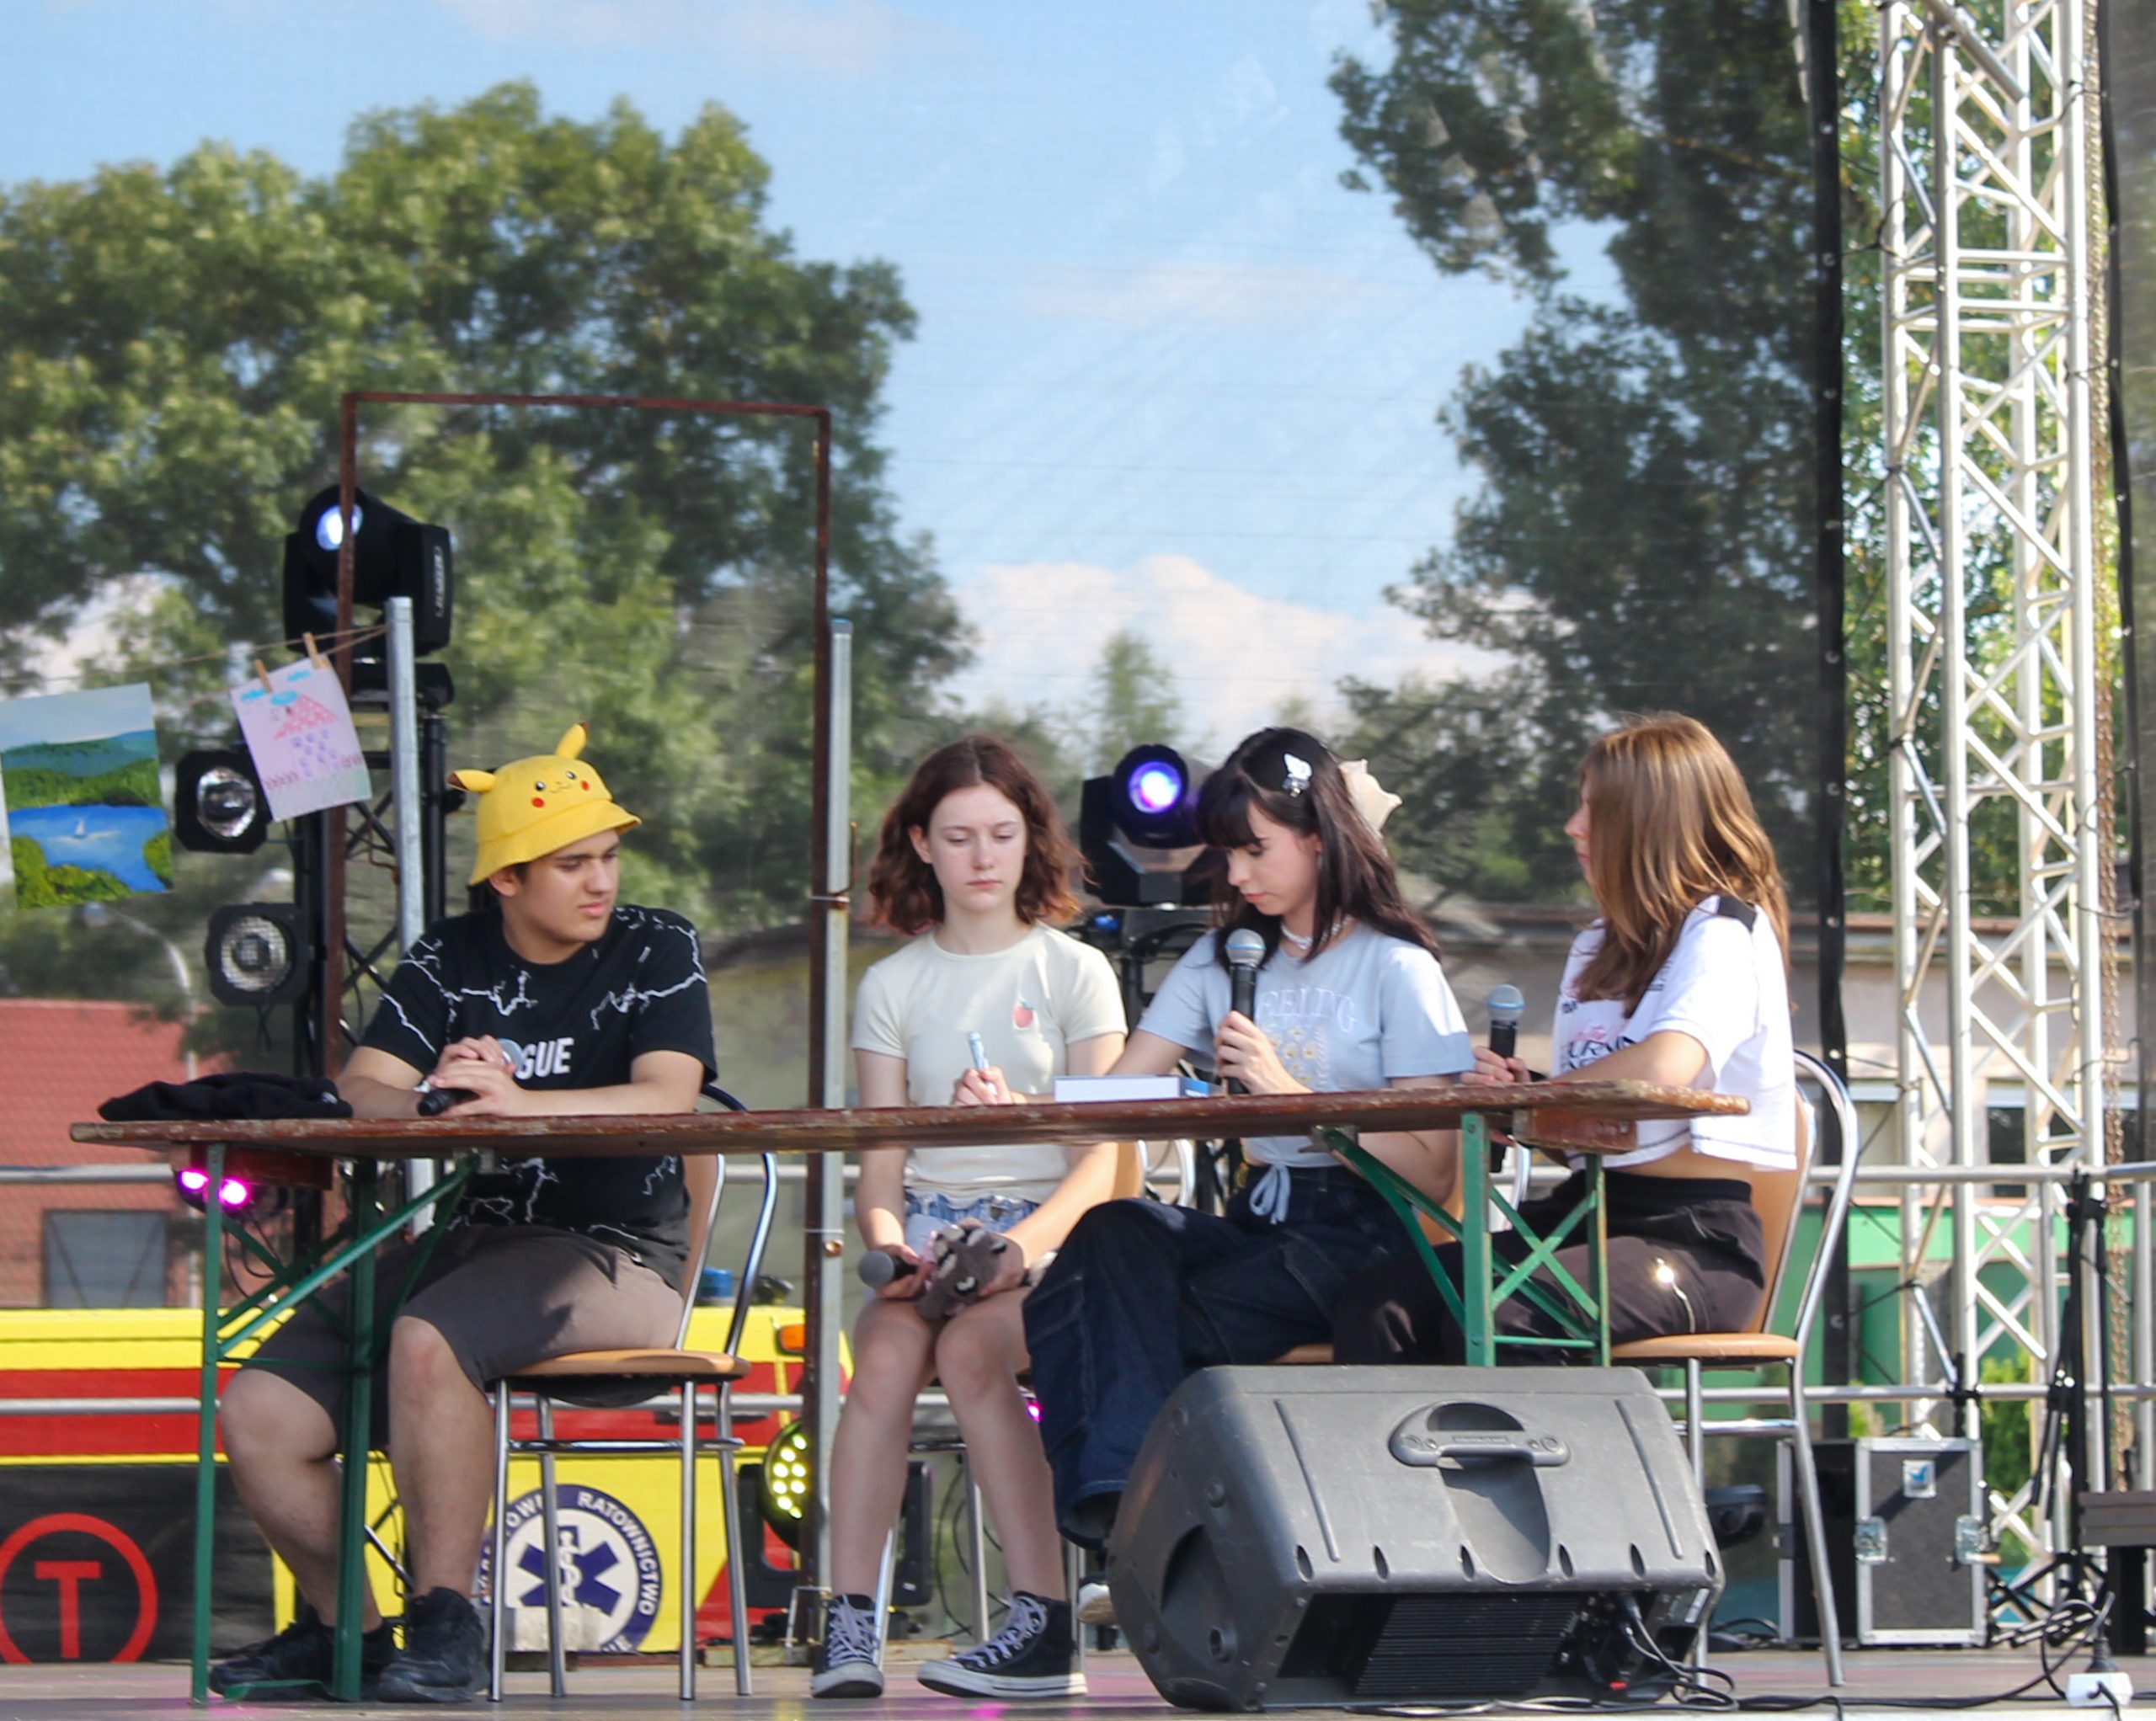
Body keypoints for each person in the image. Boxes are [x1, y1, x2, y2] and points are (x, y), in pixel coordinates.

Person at [211, 723, 715, 1704]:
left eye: (608, 855)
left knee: (425, 1339)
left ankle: (447, 1620)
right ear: (508, 881)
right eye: (572, 862)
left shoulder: (658, 944)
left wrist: (521, 1104)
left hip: (618, 1257)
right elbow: (364, 1086)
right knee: (258, 1409)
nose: (600, 879)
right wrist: (435, 1095)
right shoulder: (450, 955)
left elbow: (671, 1096)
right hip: (462, 1241)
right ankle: (340, 1632)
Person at [1020, 728, 1476, 1556]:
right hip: (1263, 1221)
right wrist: (1021, 1105)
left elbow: (1435, 1172)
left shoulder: (1396, 967)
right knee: (1113, 1237)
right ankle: (1126, 1510)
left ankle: (1144, 1521)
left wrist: (1298, 1103)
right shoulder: (1226, 953)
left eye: (1254, 850)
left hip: (1367, 1232)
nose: (1234, 876)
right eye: (1227, 855)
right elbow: (1126, 1086)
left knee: (1117, 1315)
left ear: (1316, 835)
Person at [814, 735, 1127, 1702]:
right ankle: (847, 1616)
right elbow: (878, 1170)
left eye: (1001, 833)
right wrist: (887, 1246)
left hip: (1053, 1242)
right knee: (886, 1361)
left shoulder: (1075, 972)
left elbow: (1110, 1162)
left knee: (971, 1354)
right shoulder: (893, 983)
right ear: (920, 844)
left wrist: (1018, 1249)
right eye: (958, 836)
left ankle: (1041, 1615)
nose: (982, 856)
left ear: (1032, 841)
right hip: (932, 1239)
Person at [1330, 711, 1793, 1365]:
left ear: (1649, 824)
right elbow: (1595, 1100)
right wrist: (1529, 1095)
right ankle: (1402, 1470)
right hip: (1586, 1216)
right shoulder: (1596, 946)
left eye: (1594, 811)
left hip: (1693, 1243)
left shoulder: (1723, 932)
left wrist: (1523, 1108)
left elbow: (1665, 1066)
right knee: (1381, 1302)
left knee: (1510, 1314)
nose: (1574, 828)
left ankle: (1546, 1469)